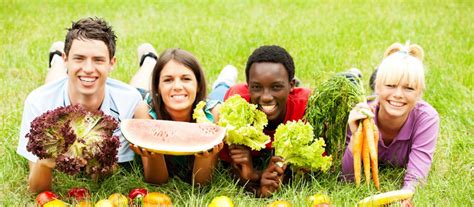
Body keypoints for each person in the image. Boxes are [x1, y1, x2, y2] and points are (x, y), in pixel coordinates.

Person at [16, 17, 142, 193]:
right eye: (79, 58)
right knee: (56, 80)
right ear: (66, 59)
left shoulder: (130, 101)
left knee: (141, 83)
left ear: (112, 63)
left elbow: (111, 169)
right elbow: (36, 188)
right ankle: (55, 60)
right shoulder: (38, 102)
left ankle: (148, 59)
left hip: (117, 90)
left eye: (98, 59)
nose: (89, 68)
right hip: (59, 84)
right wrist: (46, 162)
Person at [341, 42, 439, 206]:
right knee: (350, 84)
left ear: (419, 93)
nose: (398, 95)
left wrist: (403, 199)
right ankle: (351, 76)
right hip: (373, 101)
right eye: (390, 86)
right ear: (377, 87)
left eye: (409, 88)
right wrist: (355, 136)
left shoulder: (426, 119)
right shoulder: (360, 115)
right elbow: (347, 179)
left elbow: (416, 179)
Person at [129, 44, 235, 185]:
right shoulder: (145, 110)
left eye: (186, 79)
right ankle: (149, 60)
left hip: (205, 102)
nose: (178, 86)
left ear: (198, 85)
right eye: (168, 80)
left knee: (222, 90)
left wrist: (205, 157)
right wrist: (154, 154)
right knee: (135, 90)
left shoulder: (214, 112)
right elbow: (157, 182)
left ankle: (224, 80)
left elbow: (201, 184)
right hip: (156, 100)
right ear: (157, 87)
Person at [219, 45, 311, 197]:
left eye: (276, 87)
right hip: (227, 91)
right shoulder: (237, 104)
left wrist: (284, 177)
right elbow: (227, 164)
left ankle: (351, 76)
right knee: (219, 91)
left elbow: (310, 169)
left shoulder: (306, 106)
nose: (266, 97)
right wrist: (250, 176)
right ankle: (224, 79)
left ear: (292, 85)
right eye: (257, 87)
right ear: (248, 87)